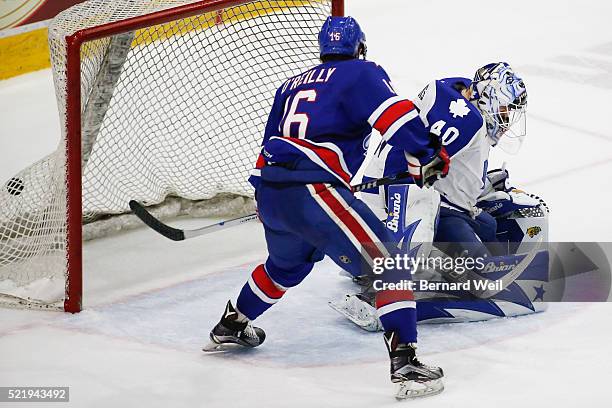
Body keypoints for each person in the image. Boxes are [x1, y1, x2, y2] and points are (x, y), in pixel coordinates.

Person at [203, 16, 449, 399]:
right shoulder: (361, 73)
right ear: (360, 48)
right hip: (314, 189)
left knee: (286, 266)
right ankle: (407, 364)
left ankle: (233, 323)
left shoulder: (289, 86)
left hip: (272, 189)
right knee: (391, 262)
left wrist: (272, 198)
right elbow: (395, 118)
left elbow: (272, 141)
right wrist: (427, 151)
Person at [331, 63, 551, 328]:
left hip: (447, 206)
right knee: (485, 282)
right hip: (432, 208)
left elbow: (449, 164)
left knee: (494, 225)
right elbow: (403, 156)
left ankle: (380, 263)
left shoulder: (461, 98)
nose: (507, 120)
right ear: (489, 98)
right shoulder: (467, 119)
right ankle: (386, 293)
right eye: (504, 109)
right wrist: (393, 219)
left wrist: (486, 185)